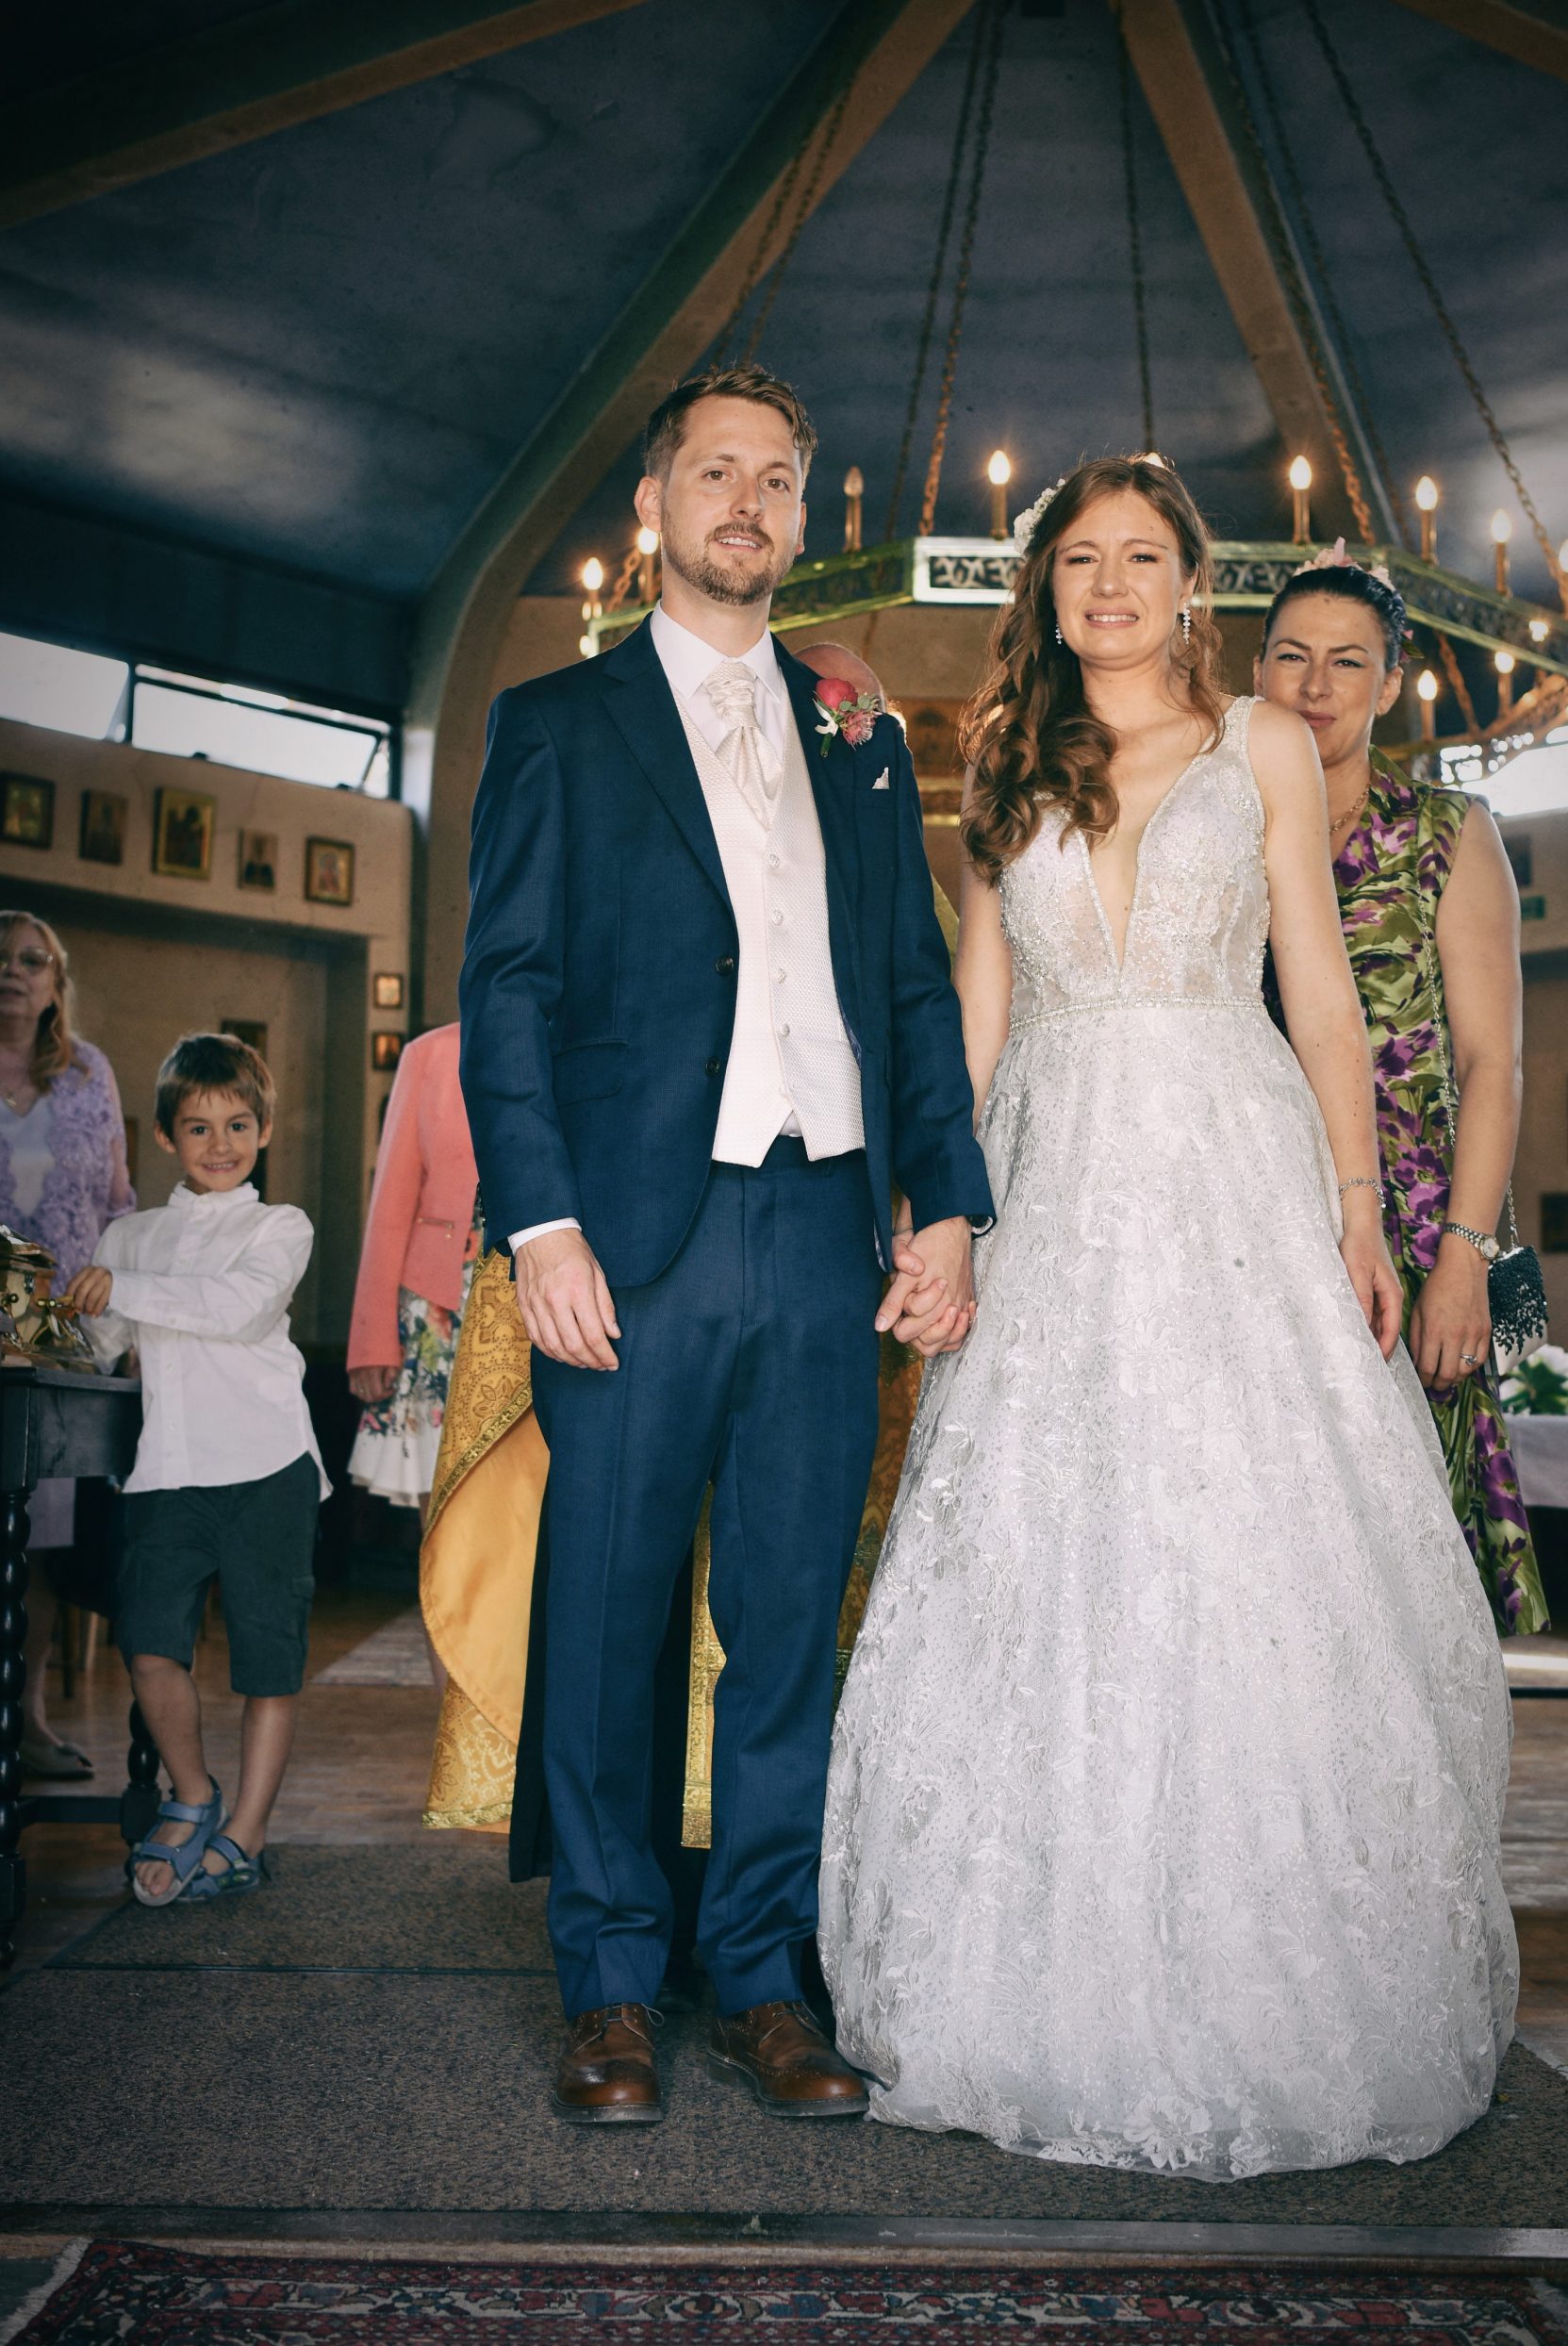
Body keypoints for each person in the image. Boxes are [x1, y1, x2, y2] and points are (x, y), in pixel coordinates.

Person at [819, 456, 1518, 2181]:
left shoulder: (1265, 747)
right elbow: (978, 1012)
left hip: (1233, 1165)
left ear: (1194, 586)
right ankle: (1031, 1979)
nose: (1111, 586)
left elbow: (1331, 1004)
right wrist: (940, 1214)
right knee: (1055, 1545)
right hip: (1051, 1179)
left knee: (1242, 1541)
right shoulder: (999, 761)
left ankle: (1277, 1972)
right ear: (1047, 589)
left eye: (1143, 558)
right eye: (1081, 561)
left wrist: (1364, 1213)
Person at [458, 361, 993, 2127]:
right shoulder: (555, 722)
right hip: (633, 1232)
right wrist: (538, 1219)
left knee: (785, 1628)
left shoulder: (864, 735)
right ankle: (611, 1980)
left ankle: (763, 1971)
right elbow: (509, 991)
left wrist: (954, 1200)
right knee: (607, 1615)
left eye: (777, 475)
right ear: (658, 505)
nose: (747, 501)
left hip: (822, 1233)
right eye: (715, 472)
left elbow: (914, 994)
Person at [1254, 546, 1547, 1634]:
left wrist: (1465, 1257)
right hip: (1243, 1210)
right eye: (1291, 658)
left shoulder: (1446, 834)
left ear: (1387, 686)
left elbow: (1491, 1066)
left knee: (1403, 1576)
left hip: (1411, 1233)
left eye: (1347, 664)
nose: (1314, 688)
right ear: (1257, 672)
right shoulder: (1213, 832)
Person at [71, 1033, 328, 1905]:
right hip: (168, 1472)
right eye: (198, 1127)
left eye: (238, 1125)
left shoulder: (280, 1227)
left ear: (263, 1131)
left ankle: (247, 1832)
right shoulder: (128, 1236)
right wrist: (58, 1312)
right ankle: (192, 1794)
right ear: (166, 1139)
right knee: (149, 1649)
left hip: (268, 1470)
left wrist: (119, 1288)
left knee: (268, 1660)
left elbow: (234, 1309)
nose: (220, 1145)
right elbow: (102, 1346)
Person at [0, 911, 135, 1779]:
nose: (12, 971)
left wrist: (117, 1321)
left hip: (56, 1336)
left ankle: (27, 1713)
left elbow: (120, 1205)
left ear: (56, 980)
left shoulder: (90, 1073)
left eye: (30, 960)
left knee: (41, 1534)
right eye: (0, 959)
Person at [347, 1022, 479, 1665]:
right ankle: (454, 1740)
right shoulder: (429, 1055)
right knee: (447, 1536)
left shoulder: (579, 1035)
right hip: (435, 1316)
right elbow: (391, 1199)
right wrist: (371, 1338)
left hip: (540, 1305)